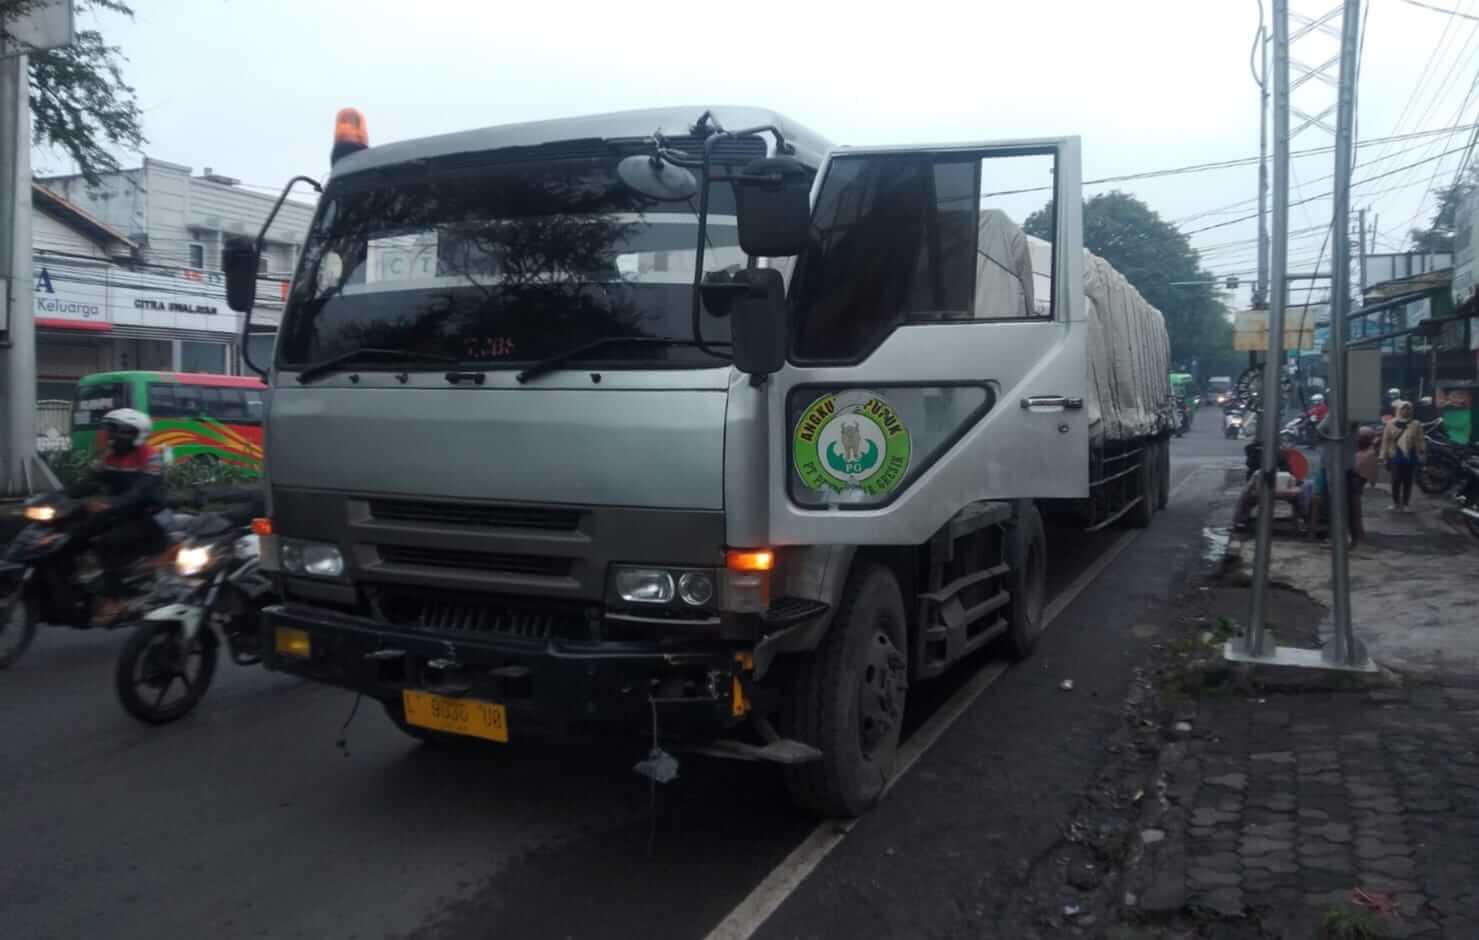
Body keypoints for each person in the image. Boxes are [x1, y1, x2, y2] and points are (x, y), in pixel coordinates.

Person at [66, 408, 169, 624]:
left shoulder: (151, 458)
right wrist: (54, 497)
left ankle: (116, 599)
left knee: (107, 544)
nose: (112, 436)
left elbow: (139, 493)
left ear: (135, 434)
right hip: (117, 512)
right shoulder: (109, 456)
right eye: (111, 430)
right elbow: (88, 483)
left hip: (146, 516)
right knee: (72, 533)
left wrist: (109, 504)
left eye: (118, 431)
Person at [1379, 400, 1425, 512]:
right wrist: (1383, 456)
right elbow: (1385, 440)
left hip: (1410, 456)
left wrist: (1422, 453)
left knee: (1408, 481)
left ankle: (1406, 504)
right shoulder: (1390, 423)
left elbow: (1420, 440)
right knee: (1395, 481)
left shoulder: (1416, 424)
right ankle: (1395, 503)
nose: (1406, 411)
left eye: (1408, 408)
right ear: (1399, 410)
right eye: (1404, 408)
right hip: (1395, 455)